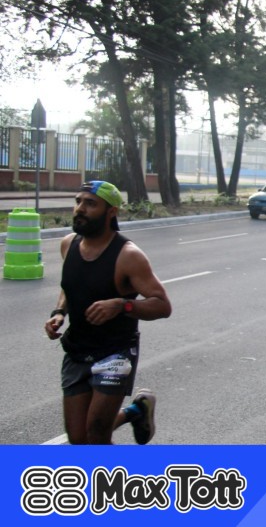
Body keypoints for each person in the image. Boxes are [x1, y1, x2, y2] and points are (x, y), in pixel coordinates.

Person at [44, 180, 172, 445]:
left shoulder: (128, 255)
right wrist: (59, 312)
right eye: (78, 202)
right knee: (78, 438)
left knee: (97, 435)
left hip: (115, 352)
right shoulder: (68, 244)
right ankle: (137, 411)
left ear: (111, 212)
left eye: (90, 204)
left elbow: (162, 305)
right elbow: (70, 285)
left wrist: (122, 305)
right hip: (77, 350)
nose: (80, 209)